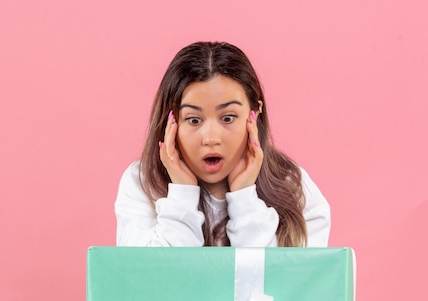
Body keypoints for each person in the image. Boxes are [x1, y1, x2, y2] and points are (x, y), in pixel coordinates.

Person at [115, 41, 330, 247]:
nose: (210, 138)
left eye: (228, 118)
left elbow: (281, 280)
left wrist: (245, 198)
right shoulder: (142, 183)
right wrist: (182, 194)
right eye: (193, 120)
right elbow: (148, 279)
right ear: (171, 121)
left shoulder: (292, 186)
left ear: (255, 114)